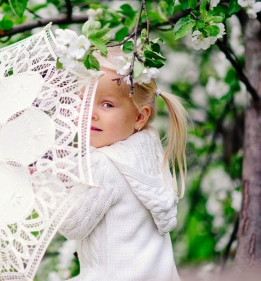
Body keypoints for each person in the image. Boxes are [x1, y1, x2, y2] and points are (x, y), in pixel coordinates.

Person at [58, 48, 188, 281]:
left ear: (140, 116)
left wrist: (50, 184)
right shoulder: (148, 152)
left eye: (107, 104)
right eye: (84, 101)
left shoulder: (105, 166)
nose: (91, 113)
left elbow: (71, 225)